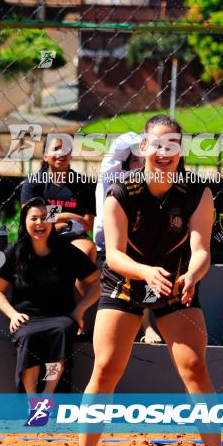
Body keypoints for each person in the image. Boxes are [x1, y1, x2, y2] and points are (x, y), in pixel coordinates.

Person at [79, 114, 219, 446]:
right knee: (107, 368)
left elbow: (201, 251)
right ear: (143, 148)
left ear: (181, 151)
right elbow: (113, 255)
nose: (164, 151)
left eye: (172, 145)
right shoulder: (121, 192)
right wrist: (145, 272)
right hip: (127, 281)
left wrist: (193, 276)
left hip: (174, 282)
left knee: (195, 368)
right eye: (157, 144)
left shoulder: (197, 192)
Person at [0, 197, 99, 393]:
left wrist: (79, 310)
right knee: (29, 337)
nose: (39, 223)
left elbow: (96, 282)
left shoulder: (66, 251)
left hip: (61, 317)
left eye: (44, 218)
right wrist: (12, 314)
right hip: (26, 319)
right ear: (25, 222)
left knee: (61, 332)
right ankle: (33, 402)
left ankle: (47, 395)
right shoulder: (14, 252)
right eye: (34, 218)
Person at [94, 132, 161, 344]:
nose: (139, 165)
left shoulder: (154, 185)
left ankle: (148, 323)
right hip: (113, 246)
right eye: (134, 161)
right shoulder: (117, 184)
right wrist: (145, 139)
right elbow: (116, 152)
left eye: (144, 160)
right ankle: (145, 325)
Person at [21, 136, 97, 263]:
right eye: (55, 149)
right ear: (45, 156)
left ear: (70, 155)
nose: (61, 153)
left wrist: (52, 218)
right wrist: (68, 216)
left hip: (73, 235)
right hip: (40, 234)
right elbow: (29, 219)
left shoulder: (85, 184)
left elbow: (87, 224)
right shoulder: (33, 183)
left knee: (86, 251)